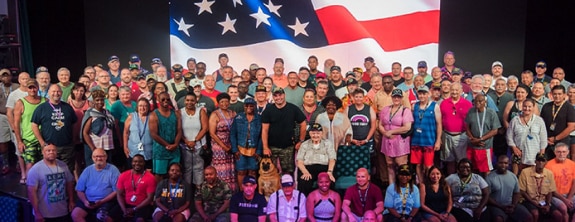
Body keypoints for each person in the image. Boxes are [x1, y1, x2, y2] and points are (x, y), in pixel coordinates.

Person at [31, 84, 78, 178]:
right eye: (53, 91)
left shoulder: (67, 107)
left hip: (67, 146)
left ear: (61, 93)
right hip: (49, 146)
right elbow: (34, 125)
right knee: (50, 172)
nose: (56, 93)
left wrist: (73, 138)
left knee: (67, 171)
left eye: (58, 91)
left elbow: (74, 123)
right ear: (48, 93)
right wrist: (41, 142)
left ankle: (67, 191)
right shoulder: (41, 108)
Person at [262, 87, 307, 175]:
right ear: (273, 97)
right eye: (276, 95)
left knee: (288, 173)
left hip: (288, 147)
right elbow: (264, 130)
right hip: (272, 147)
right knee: (271, 172)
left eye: (280, 95)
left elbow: (303, 124)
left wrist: (301, 141)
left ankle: (289, 189)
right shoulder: (268, 110)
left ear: (284, 95)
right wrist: (265, 147)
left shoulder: (293, 108)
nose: (278, 97)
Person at [27, 144, 75, 222]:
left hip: (62, 211)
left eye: (53, 150)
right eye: (48, 150)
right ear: (43, 152)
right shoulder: (36, 169)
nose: (51, 152)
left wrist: (71, 200)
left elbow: (69, 183)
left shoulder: (63, 165)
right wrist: (36, 212)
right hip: (45, 214)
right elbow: (31, 191)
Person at [71, 148, 121, 222]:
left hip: (106, 201)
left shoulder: (113, 170)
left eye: (101, 156)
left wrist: (102, 201)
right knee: (75, 214)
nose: (98, 158)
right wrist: (85, 201)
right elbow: (79, 190)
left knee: (101, 217)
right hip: (88, 200)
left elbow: (116, 191)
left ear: (106, 157)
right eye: (96, 156)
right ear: (92, 158)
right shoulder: (87, 170)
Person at [379, 88, 413, 184]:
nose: (396, 99)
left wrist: (392, 132)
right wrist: (385, 133)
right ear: (392, 97)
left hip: (400, 142)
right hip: (387, 141)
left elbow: (407, 127)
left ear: (401, 98)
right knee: (389, 166)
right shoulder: (385, 109)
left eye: (398, 97)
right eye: (395, 96)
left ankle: (403, 189)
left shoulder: (405, 110)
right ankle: (391, 189)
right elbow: (380, 124)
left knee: (402, 168)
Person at [13, 79, 45, 179]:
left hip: (44, 138)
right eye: (30, 87)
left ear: (38, 88)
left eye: (34, 87)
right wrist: (19, 141)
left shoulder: (44, 101)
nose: (32, 90)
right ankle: (29, 188)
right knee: (30, 165)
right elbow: (16, 123)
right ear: (27, 89)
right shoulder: (21, 102)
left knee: (44, 164)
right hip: (29, 139)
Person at [485, 155, 533, 222]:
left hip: (511, 205)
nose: (503, 165)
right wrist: (501, 206)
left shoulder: (513, 176)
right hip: (496, 206)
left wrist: (513, 205)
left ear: (509, 164)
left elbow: (516, 193)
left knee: (528, 217)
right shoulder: (489, 178)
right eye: (501, 163)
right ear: (497, 163)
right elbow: (487, 197)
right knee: (498, 219)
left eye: (505, 163)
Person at [506, 98, 547, 174]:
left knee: (532, 176)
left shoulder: (539, 121)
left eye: (529, 106)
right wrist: (514, 147)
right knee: (517, 176)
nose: (527, 108)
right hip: (518, 153)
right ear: (522, 107)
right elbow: (509, 136)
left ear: (533, 107)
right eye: (525, 106)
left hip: (534, 153)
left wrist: (541, 155)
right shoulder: (515, 120)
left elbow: (543, 139)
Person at [440, 82, 473, 175]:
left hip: (461, 136)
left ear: (461, 91)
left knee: (462, 162)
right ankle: (451, 181)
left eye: (456, 90)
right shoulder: (444, 103)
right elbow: (440, 120)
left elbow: (470, 122)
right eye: (452, 90)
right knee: (449, 161)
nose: (454, 92)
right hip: (446, 135)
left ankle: (462, 181)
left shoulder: (467, 104)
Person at [519, 153, 563, 222]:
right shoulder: (525, 172)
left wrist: (548, 204)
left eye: (543, 161)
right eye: (539, 160)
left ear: (546, 162)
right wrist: (536, 204)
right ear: (535, 161)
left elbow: (550, 191)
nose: (540, 163)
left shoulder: (549, 173)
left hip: (544, 201)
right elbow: (522, 192)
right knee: (535, 214)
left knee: (558, 215)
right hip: (530, 201)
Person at [411, 85, 442, 184]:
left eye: (424, 93)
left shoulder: (434, 106)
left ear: (428, 94)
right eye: (420, 93)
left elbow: (439, 124)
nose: (422, 96)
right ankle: (421, 184)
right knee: (418, 164)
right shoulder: (414, 106)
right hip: (416, 140)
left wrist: (438, 140)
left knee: (428, 165)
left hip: (429, 140)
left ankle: (429, 183)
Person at [464, 94, 500, 177]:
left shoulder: (491, 112)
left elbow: (495, 130)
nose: (477, 103)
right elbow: (467, 127)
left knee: (486, 170)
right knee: (471, 168)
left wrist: (480, 139)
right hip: (472, 145)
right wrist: (472, 139)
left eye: (480, 101)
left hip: (485, 146)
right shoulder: (471, 111)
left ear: (485, 102)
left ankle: (486, 187)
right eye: (476, 101)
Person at [149, 92, 182, 182]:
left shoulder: (176, 114)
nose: (165, 101)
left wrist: (175, 144)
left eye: (167, 99)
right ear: (158, 100)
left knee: (175, 173)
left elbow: (179, 130)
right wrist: (167, 145)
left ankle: (175, 193)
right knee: (159, 175)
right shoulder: (154, 115)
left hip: (174, 149)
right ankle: (159, 195)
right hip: (160, 150)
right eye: (163, 99)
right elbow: (154, 134)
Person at [230, 98, 262, 190]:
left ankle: (252, 191)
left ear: (255, 107)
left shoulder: (259, 119)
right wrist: (235, 150)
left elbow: (261, 136)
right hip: (240, 149)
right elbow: (233, 134)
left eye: (251, 106)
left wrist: (259, 151)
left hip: (254, 150)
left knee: (252, 171)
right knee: (241, 172)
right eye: (247, 105)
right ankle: (242, 191)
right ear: (244, 106)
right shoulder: (238, 118)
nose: (249, 107)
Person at [296, 123, 336, 195]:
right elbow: (299, 161)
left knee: (330, 181)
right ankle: (305, 204)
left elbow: (332, 159)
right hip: (308, 168)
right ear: (310, 134)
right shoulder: (304, 144)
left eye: (318, 133)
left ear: (321, 133)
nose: (315, 135)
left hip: (324, 168)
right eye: (313, 133)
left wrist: (330, 171)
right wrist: (305, 171)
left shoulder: (328, 144)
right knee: (304, 181)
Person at [209, 93, 237, 191]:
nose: (224, 103)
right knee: (221, 169)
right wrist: (224, 146)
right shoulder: (215, 114)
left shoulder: (233, 113)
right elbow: (212, 133)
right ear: (218, 103)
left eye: (226, 101)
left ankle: (231, 191)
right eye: (222, 102)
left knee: (231, 168)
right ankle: (220, 191)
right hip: (219, 146)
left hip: (231, 143)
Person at [180, 92, 208, 189]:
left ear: (196, 101)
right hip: (184, 145)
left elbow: (205, 128)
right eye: (187, 100)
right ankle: (187, 191)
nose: (190, 102)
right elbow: (178, 130)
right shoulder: (180, 112)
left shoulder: (201, 111)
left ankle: (198, 191)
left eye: (192, 100)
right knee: (186, 169)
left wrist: (195, 141)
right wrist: (187, 142)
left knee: (199, 168)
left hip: (198, 145)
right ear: (184, 101)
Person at [115, 154, 156, 221]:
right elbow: (119, 194)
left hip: (142, 206)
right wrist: (124, 209)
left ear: (144, 163)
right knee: (108, 218)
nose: (137, 163)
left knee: (139, 220)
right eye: (135, 161)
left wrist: (134, 209)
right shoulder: (123, 175)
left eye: (140, 162)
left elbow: (149, 198)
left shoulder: (150, 177)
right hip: (126, 204)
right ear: (131, 163)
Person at [81, 90, 117, 165]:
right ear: (93, 101)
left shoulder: (108, 113)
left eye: (102, 99)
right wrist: (93, 148)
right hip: (95, 147)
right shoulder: (90, 114)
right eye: (97, 100)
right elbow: (85, 133)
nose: (100, 102)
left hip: (107, 147)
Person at [540, 85, 575, 159]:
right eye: (555, 94)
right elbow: (541, 123)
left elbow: (571, 127)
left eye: (559, 94)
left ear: (564, 95)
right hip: (546, 141)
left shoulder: (569, 107)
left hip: (562, 142)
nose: (557, 96)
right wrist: (545, 138)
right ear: (551, 94)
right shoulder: (546, 106)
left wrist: (555, 138)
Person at [545, 143, 575, 222]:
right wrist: (565, 200)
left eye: (564, 152)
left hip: (569, 195)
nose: (561, 154)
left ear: (568, 152)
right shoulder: (548, 165)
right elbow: (549, 187)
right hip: (556, 196)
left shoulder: (572, 164)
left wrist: (569, 198)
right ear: (555, 153)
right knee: (563, 208)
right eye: (559, 152)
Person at [123, 98, 153, 169]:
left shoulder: (152, 117)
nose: (142, 108)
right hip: (133, 150)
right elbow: (126, 132)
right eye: (140, 106)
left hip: (149, 151)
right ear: (137, 107)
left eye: (145, 106)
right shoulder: (131, 117)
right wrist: (125, 147)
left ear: (148, 107)